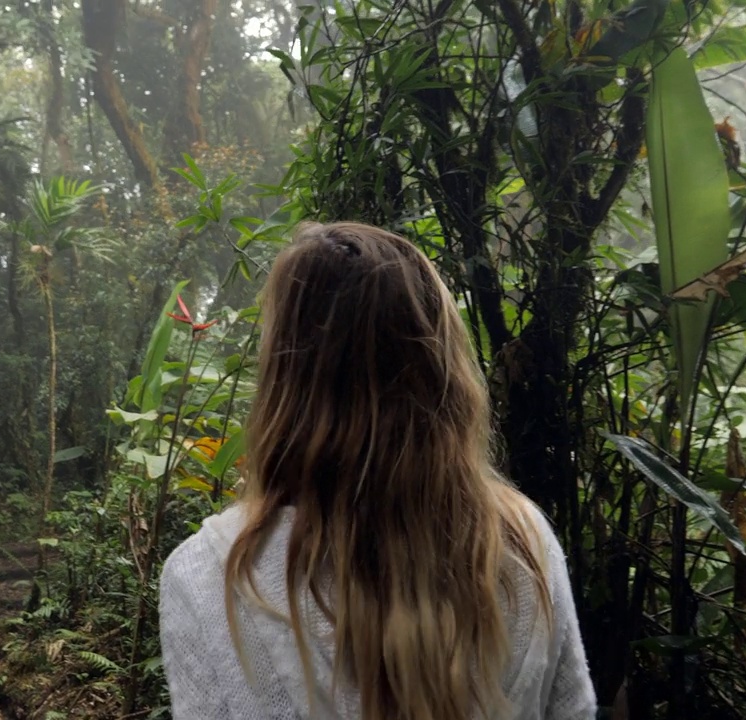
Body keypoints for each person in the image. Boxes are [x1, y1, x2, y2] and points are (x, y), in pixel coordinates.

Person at [158, 222, 595, 720]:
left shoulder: (210, 573)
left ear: (283, 376)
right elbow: (573, 710)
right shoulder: (523, 542)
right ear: (442, 369)